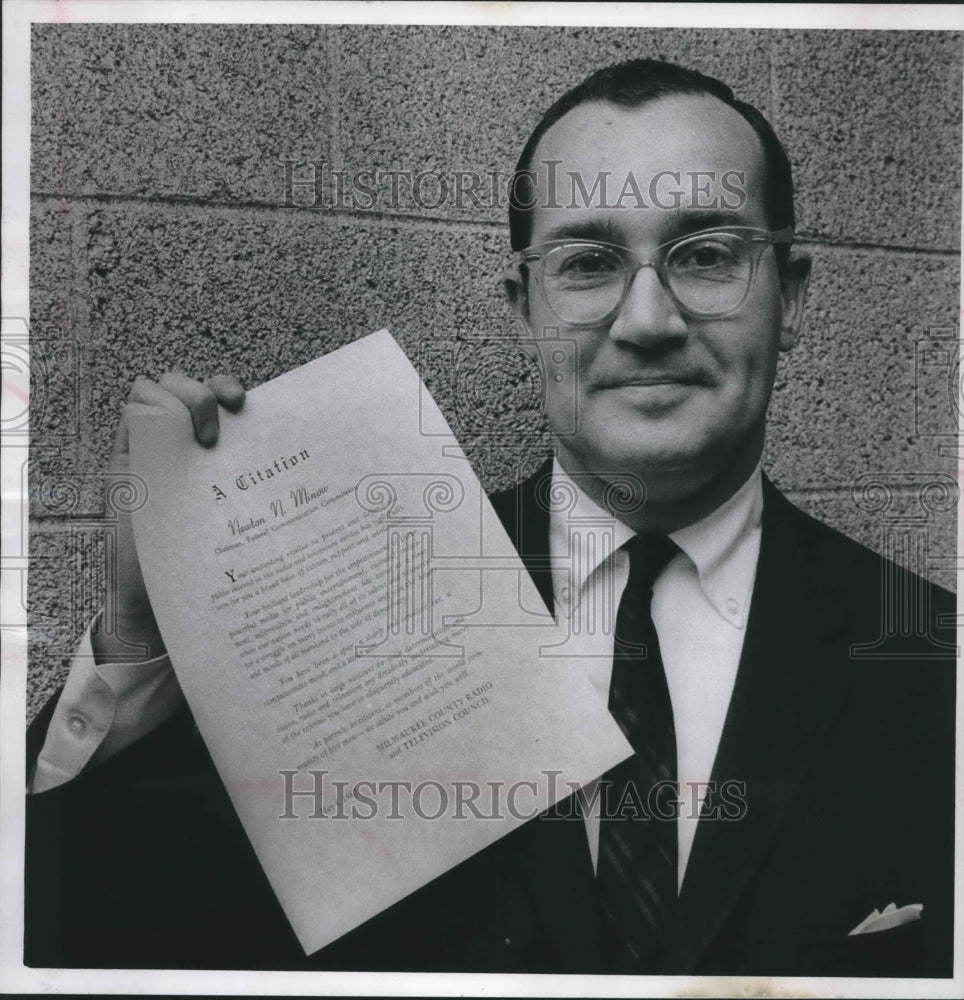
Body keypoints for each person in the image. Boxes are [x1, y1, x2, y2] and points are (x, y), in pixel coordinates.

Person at [25, 58, 955, 977]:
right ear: (523, 311)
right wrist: (138, 644)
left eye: (707, 254)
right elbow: (85, 935)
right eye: (587, 263)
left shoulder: (937, 664)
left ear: (790, 296)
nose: (648, 319)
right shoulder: (349, 617)